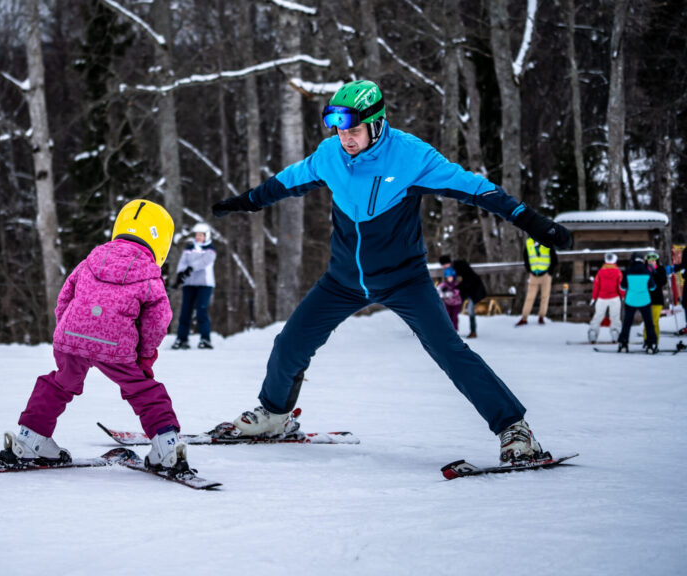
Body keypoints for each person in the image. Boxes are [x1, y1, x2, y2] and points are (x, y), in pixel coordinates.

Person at [210, 79, 572, 464]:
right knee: (290, 342)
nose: (345, 138)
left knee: (449, 350)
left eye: (354, 130)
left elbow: (475, 188)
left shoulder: (410, 156)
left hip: (404, 280)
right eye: (339, 129)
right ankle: (274, 416)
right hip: (343, 281)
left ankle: (514, 429)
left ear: (377, 123)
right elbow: (288, 180)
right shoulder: (330, 154)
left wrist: (530, 220)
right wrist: (248, 201)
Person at [0, 199, 193, 475]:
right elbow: (158, 320)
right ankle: (166, 446)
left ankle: (30, 439)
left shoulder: (91, 259)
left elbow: (65, 296)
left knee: (58, 384)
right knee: (144, 390)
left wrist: (65, 337)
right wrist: (145, 355)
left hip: (73, 335)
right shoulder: (150, 274)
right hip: (117, 346)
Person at [171, 222, 218, 350]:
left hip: (205, 284)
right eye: (197, 235)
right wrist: (181, 274)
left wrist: (190, 268)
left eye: (201, 235)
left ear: (206, 236)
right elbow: (182, 262)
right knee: (185, 311)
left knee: (201, 311)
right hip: (189, 284)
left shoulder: (210, 250)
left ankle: (205, 339)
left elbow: (204, 262)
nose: (198, 237)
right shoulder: (189, 248)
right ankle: (181, 339)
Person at [616, 254, 657, 354]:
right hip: (645, 301)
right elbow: (652, 287)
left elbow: (622, 287)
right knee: (648, 323)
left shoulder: (628, 271)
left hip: (631, 300)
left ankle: (623, 344)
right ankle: (651, 345)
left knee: (627, 323)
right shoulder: (647, 271)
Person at [439, 254, 487, 338]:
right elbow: (451, 283)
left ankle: (473, 331)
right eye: (443, 266)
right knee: (453, 309)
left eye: (444, 265)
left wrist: (456, 286)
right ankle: (452, 330)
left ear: (448, 262)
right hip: (463, 292)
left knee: (470, 309)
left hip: (473, 290)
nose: (444, 267)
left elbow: (468, 280)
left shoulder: (460, 265)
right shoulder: (450, 270)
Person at [516, 237, 558, 326]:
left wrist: (549, 272)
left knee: (545, 297)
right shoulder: (529, 243)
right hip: (533, 275)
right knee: (530, 297)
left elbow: (554, 258)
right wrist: (529, 270)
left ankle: (541, 317)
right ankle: (524, 318)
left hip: (546, 274)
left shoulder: (548, 242)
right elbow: (526, 257)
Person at [587, 252, 624, 344]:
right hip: (614, 298)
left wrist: (594, 297)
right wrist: (622, 295)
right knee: (615, 317)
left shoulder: (600, 272)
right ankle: (615, 334)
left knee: (598, 316)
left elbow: (596, 286)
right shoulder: (618, 272)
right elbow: (620, 286)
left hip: (601, 298)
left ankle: (592, 333)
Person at [645, 251, 667, 344]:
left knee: (654, 322)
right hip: (646, 299)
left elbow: (663, 282)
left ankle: (654, 341)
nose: (652, 262)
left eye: (654, 261)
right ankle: (646, 341)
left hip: (657, 299)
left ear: (657, 261)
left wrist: (655, 273)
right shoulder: (644, 270)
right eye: (650, 261)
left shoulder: (661, 269)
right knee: (647, 322)